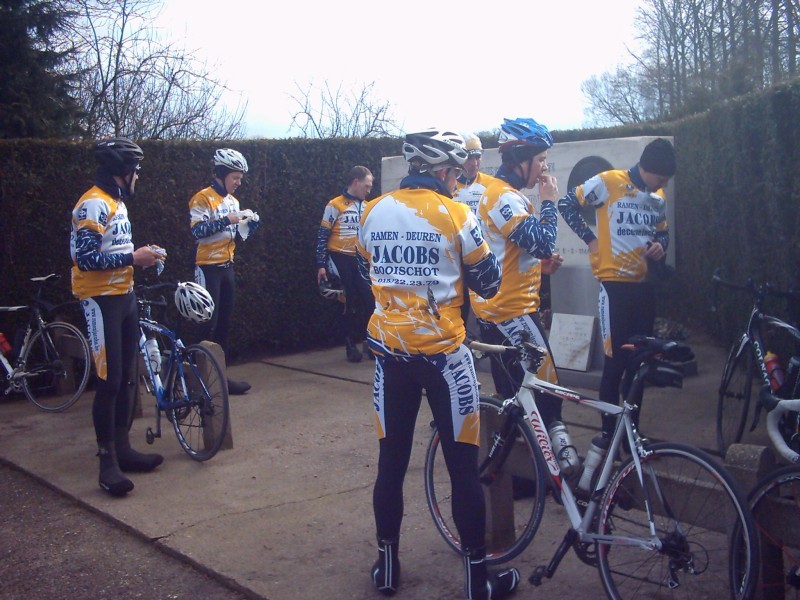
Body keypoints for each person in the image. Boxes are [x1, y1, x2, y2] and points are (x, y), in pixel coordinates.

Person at [356, 128, 519, 599]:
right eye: (456, 171)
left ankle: (387, 568)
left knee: (391, 463)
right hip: (446, 359)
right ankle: (476, 582)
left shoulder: (372, 210)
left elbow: (370, 266)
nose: (458, 179)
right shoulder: (458, 213)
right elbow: (488, 284)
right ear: (445, 171)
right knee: (463, 469)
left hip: (390, 358)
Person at [557, 137, 675, 437]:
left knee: (639, 364)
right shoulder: (609, 182)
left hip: (645, 287)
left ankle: (632, 433)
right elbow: (567, 203)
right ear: (648, 168)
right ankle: (609, 432)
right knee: (615, 362)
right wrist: (590, 239)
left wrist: (661, 247)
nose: (662, 184)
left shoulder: (658, 196)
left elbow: (663, 234)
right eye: (661, 177)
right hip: (614, 288)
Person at [70, 137, 165, 497]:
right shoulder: (92, 203)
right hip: (99, 299)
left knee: (127, 377)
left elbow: (117, 249)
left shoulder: (116, 203)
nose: (139, 176)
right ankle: (106, 463)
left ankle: (124, 450)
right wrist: (132, 259)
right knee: (109, 381)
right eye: (136, 170)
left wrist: (145, 255)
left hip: (123, 295)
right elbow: (85, 258)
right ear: (123, 171)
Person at [471, 118, 569, 436]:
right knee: (548, 394)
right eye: (540, 159)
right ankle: (548, 473)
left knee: (518, 401)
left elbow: (508, 253)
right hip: (511, 312)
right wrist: (550, 201)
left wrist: (540, 267)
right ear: (521, 159)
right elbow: (542, 242)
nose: (543, 169)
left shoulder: (506, 194)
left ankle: (524, 478)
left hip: (505, 309)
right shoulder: (503, 197)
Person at [189, 148, 260, 395]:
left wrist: (247, 227)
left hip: (227, 267)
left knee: (224, 326)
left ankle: (219, 377)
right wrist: (227, 220)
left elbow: (233, 237)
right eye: (235, 178)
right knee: (206, 324)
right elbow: (197, 232)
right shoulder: (202, 198)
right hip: (207, 269)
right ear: (221, 174)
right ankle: (196, 379)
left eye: (240, 178)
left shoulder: (233, 202)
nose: (239, 183)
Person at [315, 165, 375, 363]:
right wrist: (321, 264)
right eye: (367, 185)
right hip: (339, 258)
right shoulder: (335, 204)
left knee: (369, 299)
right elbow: (323, 234)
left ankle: (371, 342)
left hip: (360, 259)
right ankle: (349, 345)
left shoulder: (368, 207)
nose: (369, 190)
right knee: (346, 302)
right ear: (355, 182)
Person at [453, 134, 501, 324]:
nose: (474, 163)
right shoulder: (447, 186)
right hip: (456, 259)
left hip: (484, 256)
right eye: (469, 157)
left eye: (477, 157)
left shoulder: (491, 185)